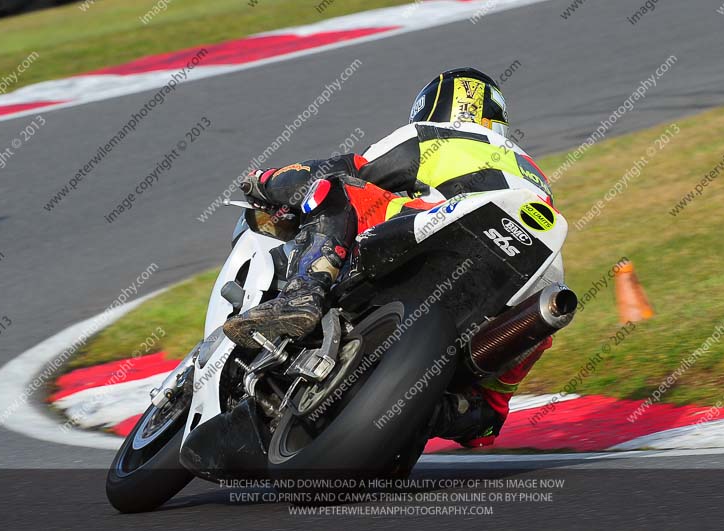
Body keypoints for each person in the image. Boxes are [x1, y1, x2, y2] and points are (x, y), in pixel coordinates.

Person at [223, 67, 564, 447]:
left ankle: (304, 293)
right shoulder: (533, 171)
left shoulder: (433, 134)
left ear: (430, 108)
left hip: (447, 228)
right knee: (499, 387)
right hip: (535, 277)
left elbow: (341, 169)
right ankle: (473, 412)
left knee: (331, 190)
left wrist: (265, 180)